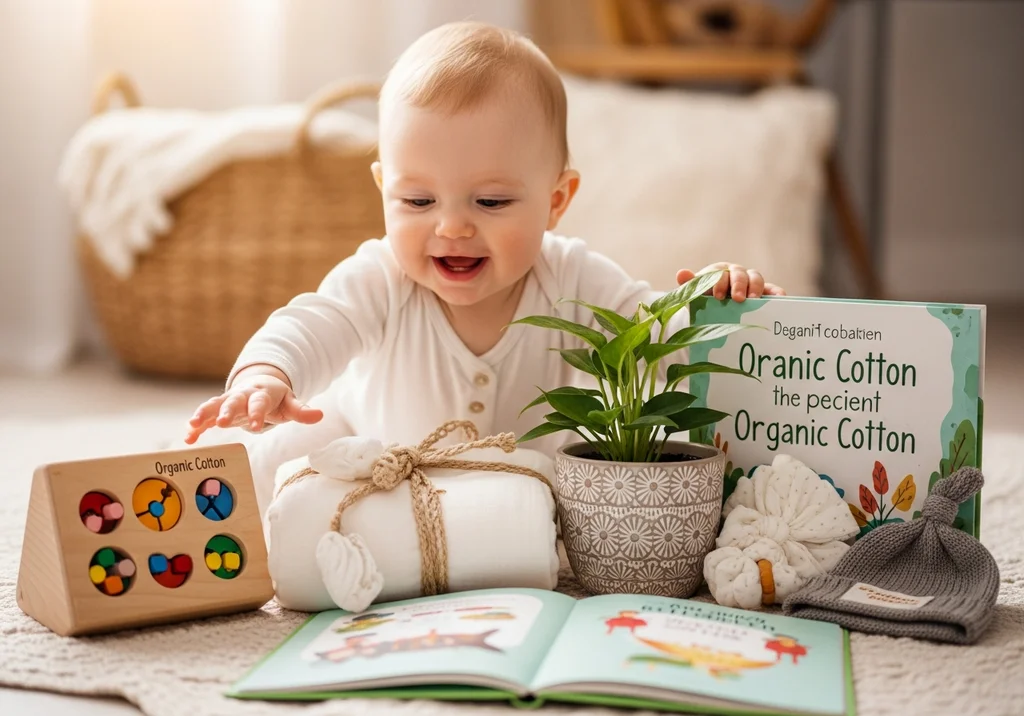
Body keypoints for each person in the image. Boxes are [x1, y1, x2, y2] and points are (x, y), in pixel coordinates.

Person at [182, 21, 785, 515]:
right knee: (282, 466)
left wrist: (718, 305)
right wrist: (267, 374)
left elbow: (652, 332)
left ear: (556, 201)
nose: (451, 227)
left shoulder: (571, 278)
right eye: (417, 201)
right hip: (375, 462)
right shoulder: (382, 276)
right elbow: (316, 321)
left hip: (508, 489)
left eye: (490, 202)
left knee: (546, 512)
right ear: (383, 189)